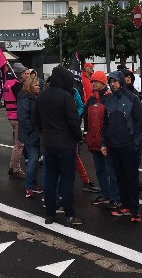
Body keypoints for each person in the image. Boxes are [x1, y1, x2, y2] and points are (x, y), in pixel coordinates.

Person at [34, 66, 84, 227]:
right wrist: (78, 137)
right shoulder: (66, 96)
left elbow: (37, 121)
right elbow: (74, 121)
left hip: (48, 143)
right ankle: (69, 215)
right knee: (67, 180)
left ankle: (50, 214)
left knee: (50, 179)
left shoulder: (41, 96)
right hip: (65, 143)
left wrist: (44, 133)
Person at [102, 71, 142, 223]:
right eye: (110, 81)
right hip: (113, 146)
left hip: (128, 146)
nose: (113, 84)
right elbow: (105, 124)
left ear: (121, 81)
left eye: (115, 81)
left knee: (131, 178)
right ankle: (125, 205)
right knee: (119, 177)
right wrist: (104, 143)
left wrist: (134, 145)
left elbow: (140, 125)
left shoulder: (133, 99)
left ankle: (135, 210)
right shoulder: (108, 99)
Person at [84, 71, 120, 209]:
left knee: (111, 170)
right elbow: (86, 118)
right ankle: (105, 193)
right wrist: (86, 134)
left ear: (102, 82)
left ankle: (115, 196)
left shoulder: (110, 98)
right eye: (92, 82)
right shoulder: (92, 99)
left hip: (106, 141)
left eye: (95, 82)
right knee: (99, 169)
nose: (93, 84)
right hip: (94, 141)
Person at [17, 75, 43, 198]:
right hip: (30, 134)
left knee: (36, 159)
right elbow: (23, 119)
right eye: (36, 85)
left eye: (39, 85)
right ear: (30, 86)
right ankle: (29, 187)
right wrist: (33, 131)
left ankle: (33, 183)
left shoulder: (37, 97)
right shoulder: (24, 99)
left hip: (37, 133)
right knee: (33, 159)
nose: (39, 87)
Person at [4, 62, 29, 179]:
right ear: (20, 74)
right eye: (24, 73)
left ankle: (12, 166)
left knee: (17, 143)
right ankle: (15, 169)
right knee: (19, 145)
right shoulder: (17, 85)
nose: (26, 75)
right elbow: (23, 100)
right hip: (18, 116)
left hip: (10, 116)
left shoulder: (6, 84)